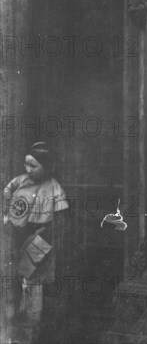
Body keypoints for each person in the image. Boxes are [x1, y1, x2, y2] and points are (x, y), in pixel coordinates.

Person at [3, 142, 69, 344]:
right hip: (16, 237)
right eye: (26, 164)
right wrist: (6, 215)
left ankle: (31, 336)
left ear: (46, 167)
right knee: (11, 286)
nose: (28, 169)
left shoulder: (54, 187)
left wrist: (41, 237)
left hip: (40, 241)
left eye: (34, 166)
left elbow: (60, 220)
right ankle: (10, 333)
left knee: (33, 289)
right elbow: (7, 194)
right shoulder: (19, 182)